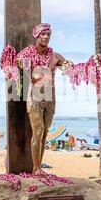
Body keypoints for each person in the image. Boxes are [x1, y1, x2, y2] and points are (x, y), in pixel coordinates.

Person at [18, 23, 65, 175]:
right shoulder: (27, 54)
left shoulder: (55, 56)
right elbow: (18, 66)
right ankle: (35, 168)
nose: (45, 37)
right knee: (38, 130)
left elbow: (70, 67)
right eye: (43, 34)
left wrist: (91, 65)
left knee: (45, 132)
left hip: (50, 97)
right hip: (35, 96)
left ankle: (39, 168)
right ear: (36, 35)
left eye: (48, 34)